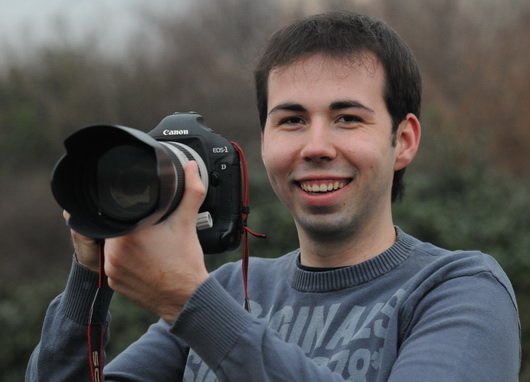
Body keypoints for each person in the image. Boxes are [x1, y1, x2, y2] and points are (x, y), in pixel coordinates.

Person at [26, 11, 520, 381]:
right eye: (291, 120)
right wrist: (91, 275)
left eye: (348, 117)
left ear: (404, 140)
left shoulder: (458, 289)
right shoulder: (227, 291)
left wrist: (188, 304)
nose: (316, 146)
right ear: (263, 141)